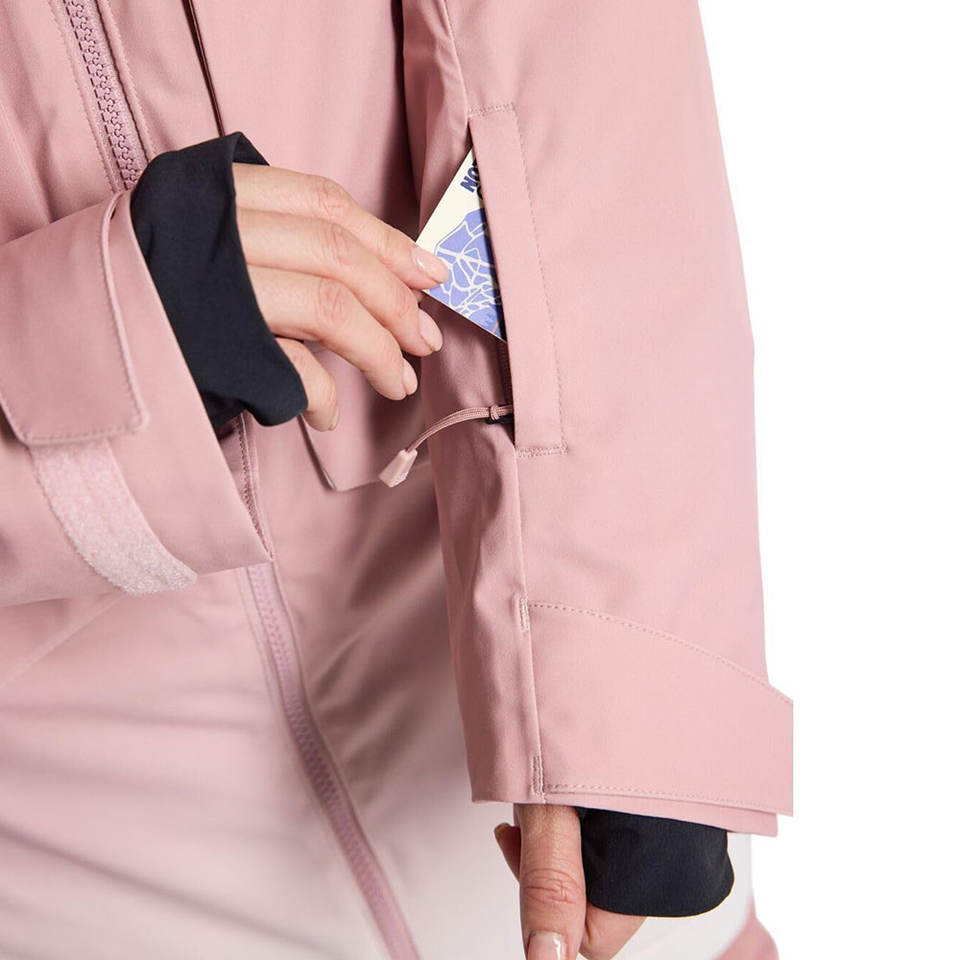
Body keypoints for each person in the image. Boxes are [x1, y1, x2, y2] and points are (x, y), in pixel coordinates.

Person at [0, 2, 792, 958]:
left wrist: (632, 657)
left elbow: (582, 57)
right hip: (95, 867)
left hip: (531, 726)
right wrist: (83, 342)